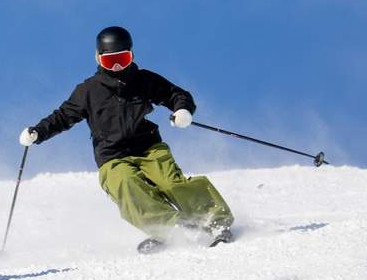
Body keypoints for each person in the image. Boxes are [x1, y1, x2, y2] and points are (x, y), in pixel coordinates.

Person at [19, 25, 233, 254]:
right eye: (111, 61)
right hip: (112, 156)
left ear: (131, 55)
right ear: (98, 58)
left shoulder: (143, 80)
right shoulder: (88, 91)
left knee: (171, 182)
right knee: (126, 184)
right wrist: (38, 132)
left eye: (123, 58)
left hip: (148, 147)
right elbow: (62, 116)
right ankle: (169, 228)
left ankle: (214, 220)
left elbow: (176, 94)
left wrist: (182, 110)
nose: (118, 66)